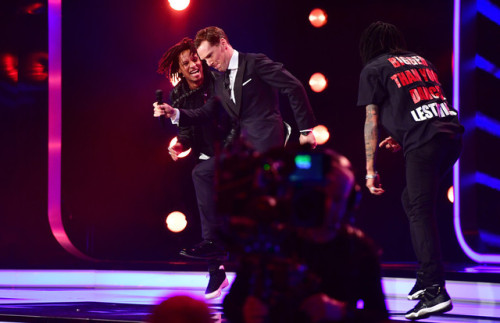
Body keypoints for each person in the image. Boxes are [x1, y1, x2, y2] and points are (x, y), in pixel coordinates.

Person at [154, 26, 318, 281]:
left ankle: (291, 260)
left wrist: (306, 130)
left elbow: (294, 87)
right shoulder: (219, 80)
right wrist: (175, 113)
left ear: (223, 44)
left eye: (208, 56)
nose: (207, 63)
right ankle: (214, 245)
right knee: (202, 173)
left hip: (266, 141)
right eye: (203, 58)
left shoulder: (255, 63)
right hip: (243, 148)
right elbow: (208, 112)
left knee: (262, 206)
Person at [357, 21, 464, 320]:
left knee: (418, 209)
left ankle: (434, 290)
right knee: (412, 201)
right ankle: (425, 276)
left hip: (425, 144)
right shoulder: (420, 60)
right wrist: (402, 135)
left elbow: (371, 120)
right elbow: (420, 104)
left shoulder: (373, 68)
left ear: (368, 46)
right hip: (451, 137)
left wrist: (370, 171)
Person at [221, 148, 389, 323]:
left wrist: (342, 312)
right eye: (321, 196)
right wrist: (245, 312)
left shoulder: (359, 249)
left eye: (337, 198)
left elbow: (379, 316)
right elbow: (232, 303)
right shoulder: (272, 239)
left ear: (350, 203)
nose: (328, 206)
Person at [154, 38, 233, 300]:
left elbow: (215, 114)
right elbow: (187, 132)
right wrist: (178, 144)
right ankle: (215, 270)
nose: (192, 65)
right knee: (206, 206)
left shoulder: (218, 79)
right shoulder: (178, 94)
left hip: (234, 149)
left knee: (205, 179)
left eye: (194, 59)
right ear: (180, 69)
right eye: (185, 63)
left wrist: (177, 114)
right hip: (207, 155)